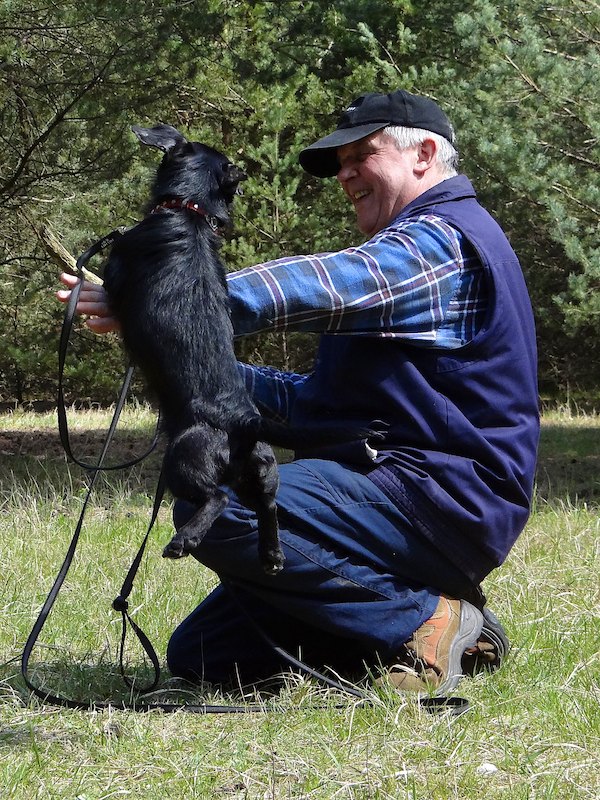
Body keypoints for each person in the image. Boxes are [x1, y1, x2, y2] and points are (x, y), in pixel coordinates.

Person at [58, 89, 539, 694]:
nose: (345, 175)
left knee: (221, 505)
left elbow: (315, 283)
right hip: (396, 490)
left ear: (423, 155)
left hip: (436, 499)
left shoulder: (442, 242)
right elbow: (313, 402)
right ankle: (440, 623)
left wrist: (155, 294)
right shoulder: (421, 247)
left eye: (361, 156)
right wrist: (188, 364)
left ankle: (427, 616)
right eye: (340, 165)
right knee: (205, 654)